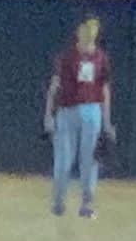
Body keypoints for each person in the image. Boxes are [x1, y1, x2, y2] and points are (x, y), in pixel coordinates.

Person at [43, 15, 116, 218]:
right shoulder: (66, 57)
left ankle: (87, 205)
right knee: (63, 162)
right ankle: (58, 203)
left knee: (89, 161)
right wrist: (48, 115)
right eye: (86, 29)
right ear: (78, 31)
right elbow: (55, 86)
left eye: (93, 30)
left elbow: (105, 89)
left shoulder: (100, 58)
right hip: (67, 111)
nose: (90, 33)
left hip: (92, 111)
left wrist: (107, 120)